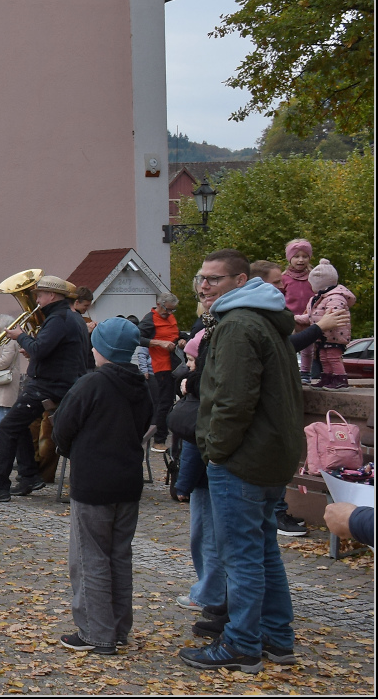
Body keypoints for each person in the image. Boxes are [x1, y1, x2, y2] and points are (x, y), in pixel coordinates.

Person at [180, 249, 303, 674]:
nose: (203, 286)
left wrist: (215, 451)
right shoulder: (265, 318)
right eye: (201, 278)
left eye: (214, 279)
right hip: (271, 454)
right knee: (264, 548)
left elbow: (232, 402)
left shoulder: (237, 325)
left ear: (239, 281)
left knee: (243, 555)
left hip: (244, 458)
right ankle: (276, 638)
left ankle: (242, 645)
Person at [52, 317, 154, 656]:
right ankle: (118, 628)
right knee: (118, 556)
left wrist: (74, 450)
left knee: (89, 558)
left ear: (104, 349)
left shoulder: (91, 384)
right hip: (127, 480)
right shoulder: (141, 384)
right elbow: (142, 426)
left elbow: (63, 428)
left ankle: (97, 633)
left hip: (94, 482)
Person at [0, 274, 91, 503]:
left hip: (49, 385)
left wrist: (22, 338)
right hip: (59, 381)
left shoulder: (58, 319)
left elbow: (41, 349)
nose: (36, 299)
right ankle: (28, 476)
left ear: (52, 295)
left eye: (40, 295)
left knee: (8, 426)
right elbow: (50, 349)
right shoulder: (70, 317)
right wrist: (32, 347)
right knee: (18, 425)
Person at [171, 297, 227, 620]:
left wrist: (182, 482)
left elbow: (194, 440)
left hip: (207, 470)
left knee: (206, 533)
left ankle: (209, 592)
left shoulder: (197, 388)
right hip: (211, 465)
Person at [138, 293, 183, 452]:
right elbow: (137, 337)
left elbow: (174, 336)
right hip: (161, 366)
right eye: (167, 310)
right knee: (164, 403)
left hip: (175, 365)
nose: (169, 313)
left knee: (177, 400)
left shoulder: (169, 317)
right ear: (159, 304)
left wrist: (182, 340)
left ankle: (179, 437)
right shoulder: (150, 319)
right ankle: (159, 440)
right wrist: (158, 343)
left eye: (172, 311)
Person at [300, 259, 354, 390]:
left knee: (333, 357)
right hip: (323, 334)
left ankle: (340, 379)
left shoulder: (335, 297)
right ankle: (327, 377)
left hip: (334, 334)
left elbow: (334, 315)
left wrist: (321, 324)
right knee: (323, 357)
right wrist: (296, 318)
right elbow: (311, 316)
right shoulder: (318, 298)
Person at [0, 313, 27, 425]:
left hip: (7, 379)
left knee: (5, 410)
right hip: (4, 378)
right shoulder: (5, 340)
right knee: (2, 409)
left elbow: (5, 361)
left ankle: (5, 436)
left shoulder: (10, 342)